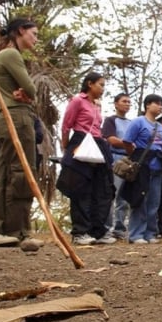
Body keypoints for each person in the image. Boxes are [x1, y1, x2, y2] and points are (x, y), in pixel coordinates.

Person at [0, 18, 43, 248]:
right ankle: (10, 228)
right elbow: (31, 90)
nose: (35, 38)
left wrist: (28, 94)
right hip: (16, 116)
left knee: (8, 170)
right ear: (20, 31)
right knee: (20, 171)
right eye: (33, 33)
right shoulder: (10, 55)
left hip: (17, 115)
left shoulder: (10, 55)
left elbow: (30, 92)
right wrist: (27, 93)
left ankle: (0, 228)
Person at [57, 72, 116, 245]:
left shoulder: (97, 105)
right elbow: (67, 125)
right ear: (90, 84)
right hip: (81, 142)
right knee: (81, 188)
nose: (103, 88)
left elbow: (98, 127)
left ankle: (97, 231)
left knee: (102, 189)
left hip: (99, 144)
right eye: (101, 84)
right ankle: (80, 232)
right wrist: (67, 147)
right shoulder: (77, 101)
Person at [120, 94, 162, 244]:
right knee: (139, 199)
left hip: (157, 167)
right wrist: (135, 158)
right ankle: (136, 234)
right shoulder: (138, 122)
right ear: (148, 105)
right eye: (157, 103)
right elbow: (127, 141)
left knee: (154, 201)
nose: (160, 106)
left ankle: (150, 233)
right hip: (142, 167)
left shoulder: (160, 127)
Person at [101, 93, 132, 240]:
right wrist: (128, 144)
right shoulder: (110, 120)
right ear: (116, 104)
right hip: (114, 158)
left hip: (129, 160)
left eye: (129, 102)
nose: (127, 104)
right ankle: (106, 227)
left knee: (124, 197)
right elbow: (111, 139)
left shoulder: (132, 122)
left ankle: (120, 228)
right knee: (112, 193)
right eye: (124, 101)